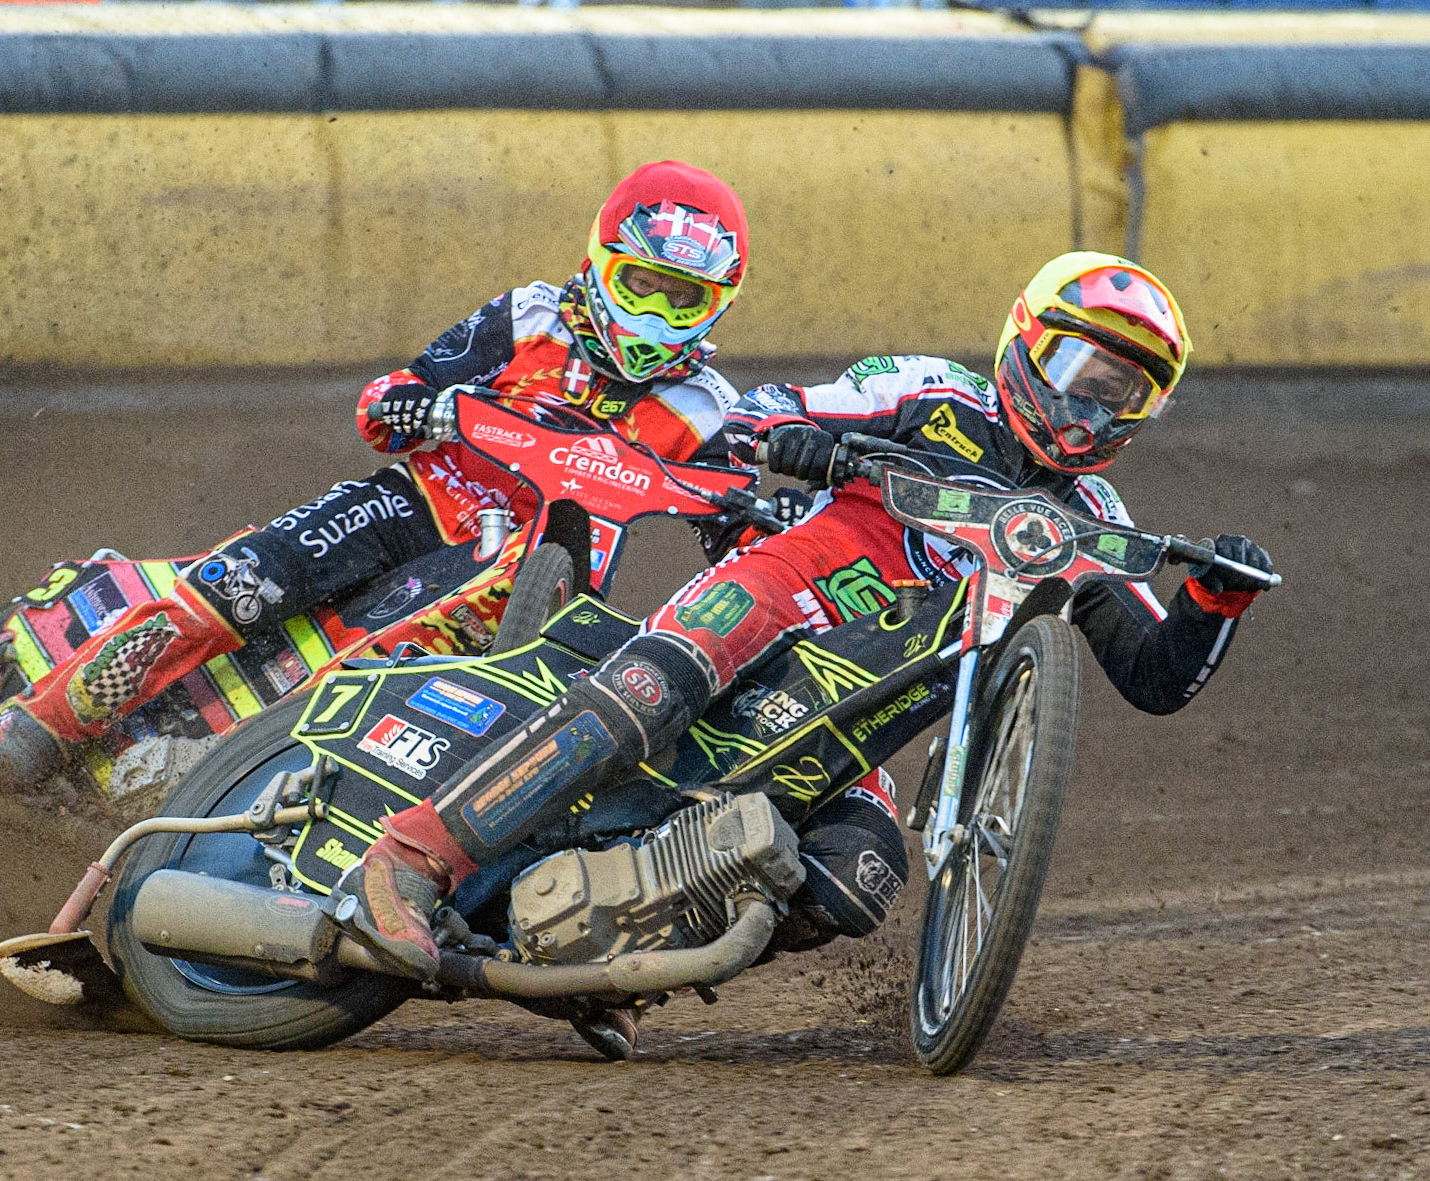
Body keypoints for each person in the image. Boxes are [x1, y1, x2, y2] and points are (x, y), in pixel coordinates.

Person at [342, 251, 1276, 991]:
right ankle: (413, 858)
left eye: (1121, 392)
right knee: (651, 692)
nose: (1088, 408)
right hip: (778, 597)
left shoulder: (1091, 524)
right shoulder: (931, 392)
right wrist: (803, 444)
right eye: (1079, 371)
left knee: (858, 873)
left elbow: (1154, 677)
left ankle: (614, 950)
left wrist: (1213, 601)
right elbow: (759, 413)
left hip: (857, 711)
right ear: (1025, 342)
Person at [0, 161, 753, 791]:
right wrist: (418, 406)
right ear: (601, 264)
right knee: (242, 582)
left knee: (382, 680)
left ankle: (234, 784)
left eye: (681, 297)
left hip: (532, 581)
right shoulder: (531, 316)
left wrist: (764, 546)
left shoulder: (711, 410)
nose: (656, 314)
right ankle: (40, 728)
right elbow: (388, 400)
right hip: (416, 503)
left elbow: (741, 549)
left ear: (716, 304)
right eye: (641, 284)